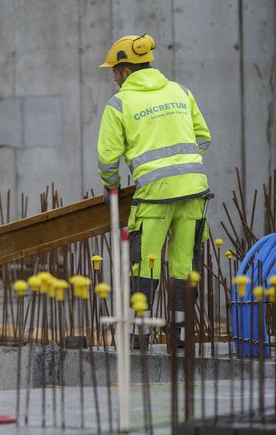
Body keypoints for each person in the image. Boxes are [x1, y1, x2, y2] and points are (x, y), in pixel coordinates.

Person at [96, 34, 212, 346]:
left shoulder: (119, 104)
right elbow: (203, 138)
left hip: (153, 194)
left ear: (126, 71)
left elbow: (108, 159)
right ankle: (181, 335)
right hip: (194, 190)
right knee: (184, 264)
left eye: (114, 72)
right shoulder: (180, 91)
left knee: (144, 263)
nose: (113, 78)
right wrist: (181, 165)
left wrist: (113, 188)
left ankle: (140, 335)